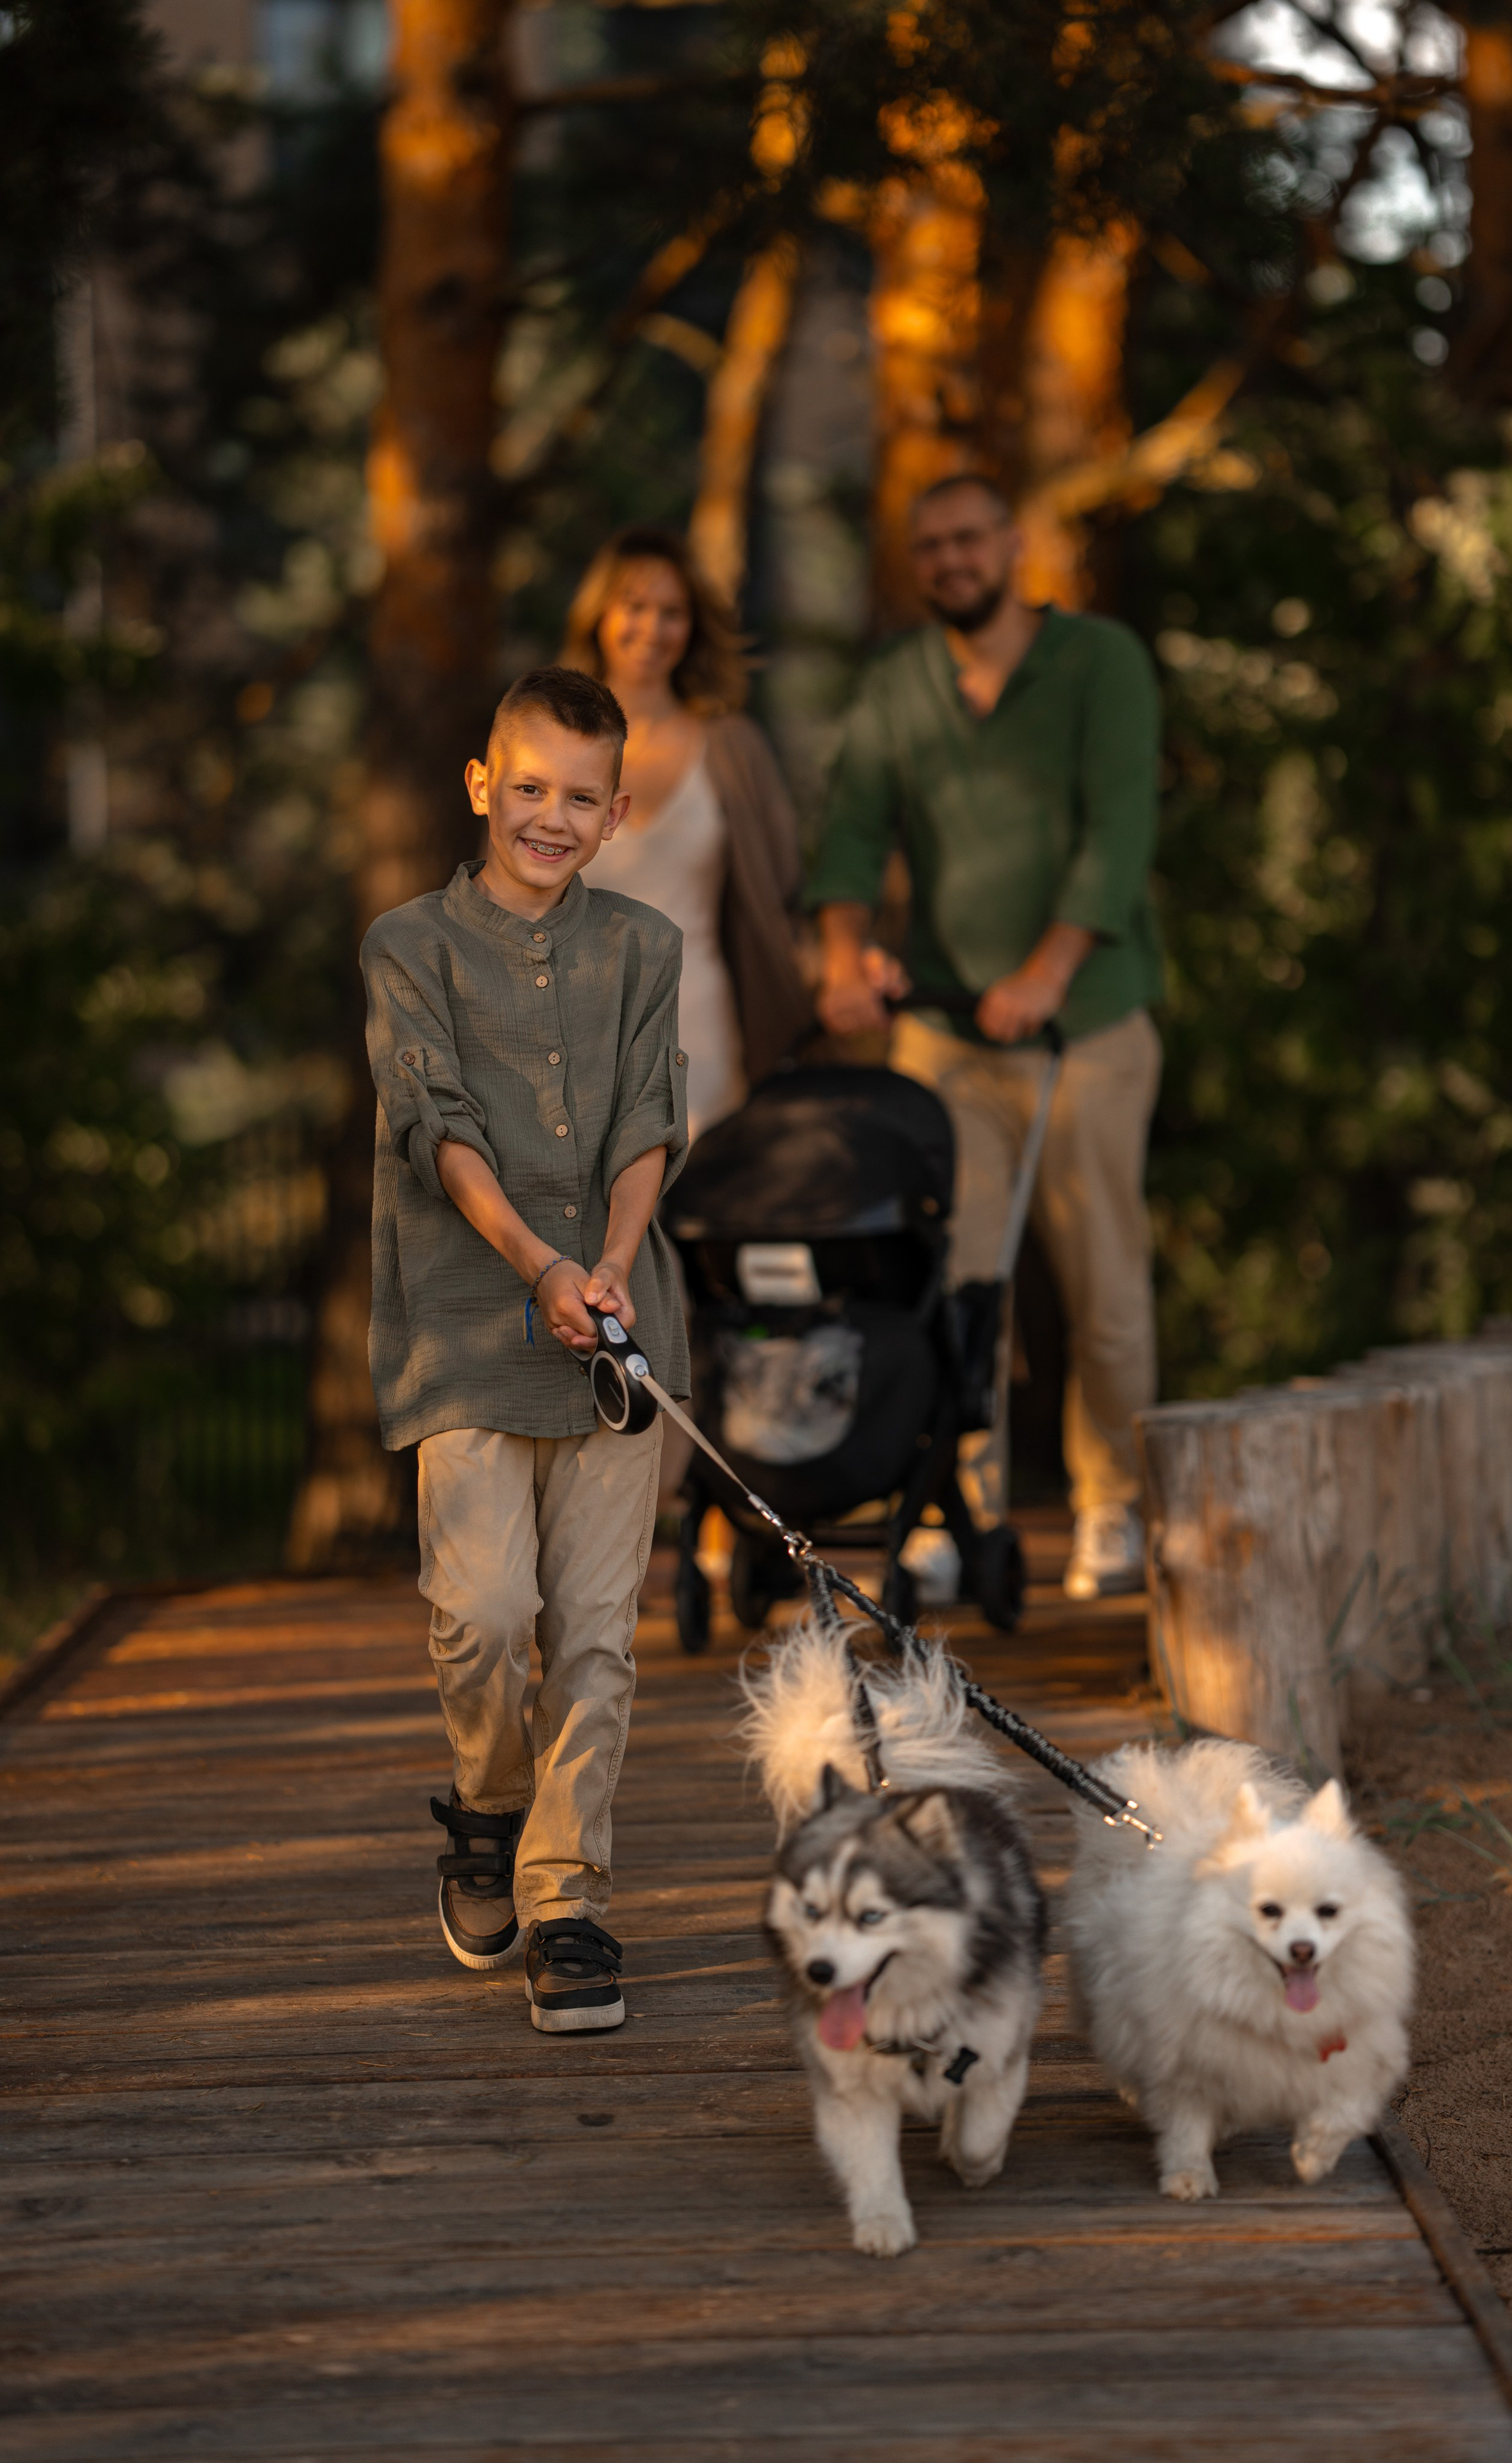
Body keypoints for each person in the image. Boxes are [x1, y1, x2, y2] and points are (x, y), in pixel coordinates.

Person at [361, 664, 689, 2033]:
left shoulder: (643, 949)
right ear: (482, 787)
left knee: (599, 1637)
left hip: (616, 1336)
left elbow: (646, 1125)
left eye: (580, 798)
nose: (550, 818)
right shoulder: (406, 947)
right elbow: (436, 1128)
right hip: (467, 1327)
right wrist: (536, 1265)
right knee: (485, 1616)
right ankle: (490, 1812)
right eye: (528, 789)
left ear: (615, 813)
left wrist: (607, 1265)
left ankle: (564, 1899)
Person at [809, 475, 1163, 1600]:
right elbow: (853, 832)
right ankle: (958, 1510)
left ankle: (1114, 1509)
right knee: (953, 1285)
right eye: (932, 545)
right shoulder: (900, 684)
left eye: (971, 538)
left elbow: (1120, 831)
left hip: (1086, 1028)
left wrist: (1045, 973)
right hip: (949, 1039)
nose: (953, 559)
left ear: (1013, 544)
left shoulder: (1100, 663)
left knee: (1102, 1282)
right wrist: (841, 958)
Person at [563, 525, 811, 1135]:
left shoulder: (733, 748)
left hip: (701, 1033)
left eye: (672, 612)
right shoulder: (550, 747)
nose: (651, 628)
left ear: (694, 627)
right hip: (568, 1041)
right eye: (635, 606)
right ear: (600, 614)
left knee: (703, 1219)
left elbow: (786, 900)